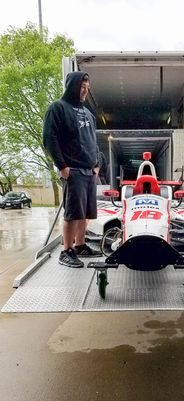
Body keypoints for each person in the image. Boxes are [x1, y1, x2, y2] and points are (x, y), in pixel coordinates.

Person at [43, 71, 102, 268]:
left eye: (87, 88)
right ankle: (66, 251)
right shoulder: (58, 108)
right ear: (72, 86)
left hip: (88, 171)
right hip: (72, 170)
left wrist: (97, 162)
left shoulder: (88, 114)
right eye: (81, 87)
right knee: (72, 213)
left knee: (84, 213)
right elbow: (49, 138)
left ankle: (80, 245)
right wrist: (62, 166)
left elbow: (93, 141)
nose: (84, 91)